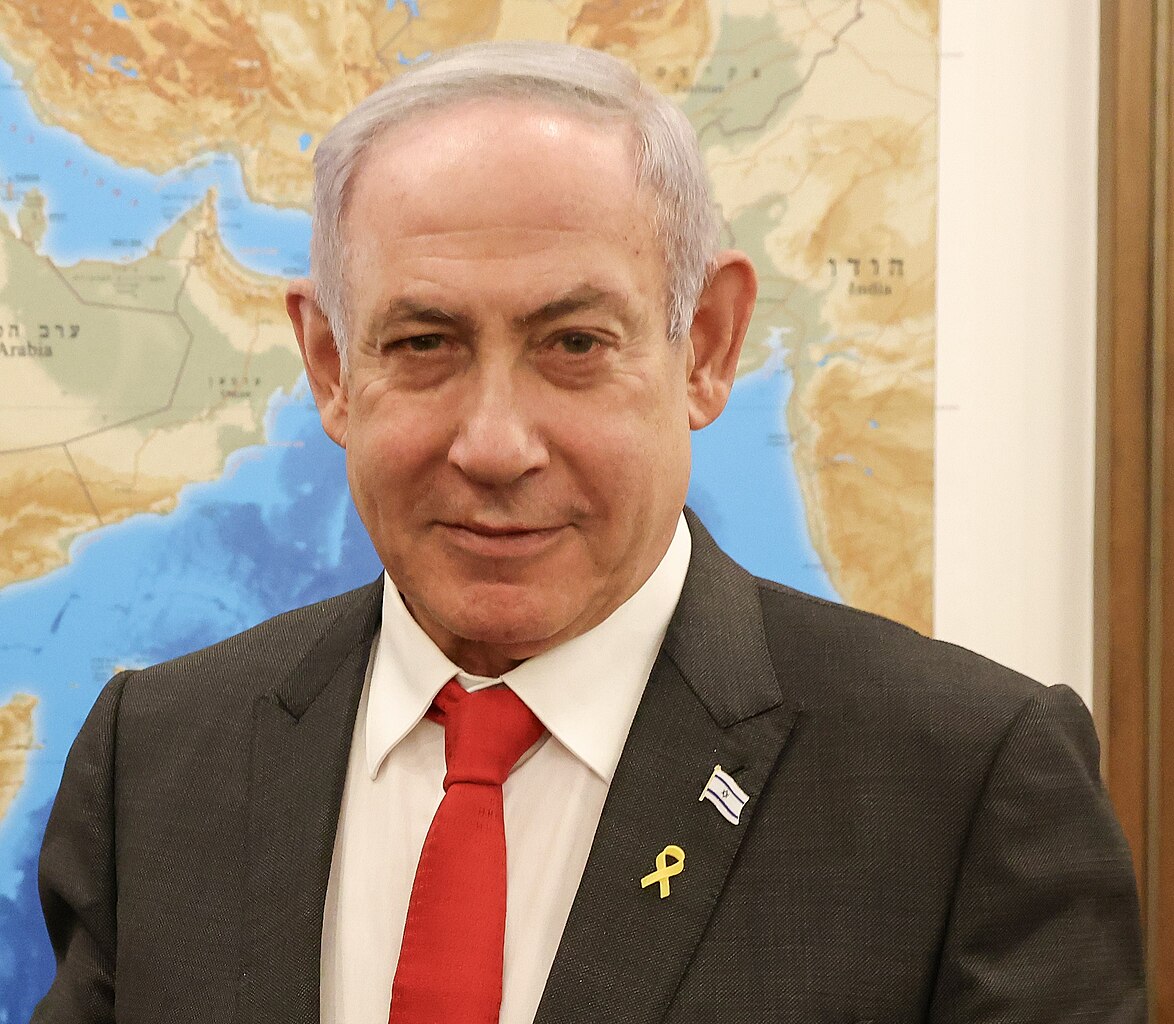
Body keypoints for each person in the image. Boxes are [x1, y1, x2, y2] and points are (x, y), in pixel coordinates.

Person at [34, 40, 1144, 1024]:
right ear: (330, 365)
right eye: (424, 342)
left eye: (573, 343)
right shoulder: (158, 763)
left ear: (704, 347)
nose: (495, 443)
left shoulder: (963, 786)